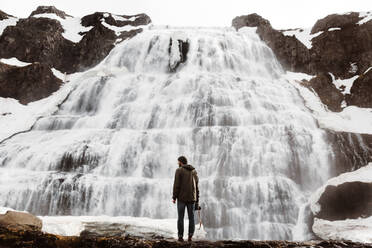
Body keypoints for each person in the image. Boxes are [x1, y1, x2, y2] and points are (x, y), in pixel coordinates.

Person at [172, 156, 200, 242]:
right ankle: (190, 236)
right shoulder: (194, 171)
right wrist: (197, 201)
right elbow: (197, 187)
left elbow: (176, 185)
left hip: (182, 198)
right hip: (192, 198)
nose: (177, 164)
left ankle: (180, 236)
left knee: (180, 217)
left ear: (181, 162)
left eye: (178, 162)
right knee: (191, 218)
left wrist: (174, 197)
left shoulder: (179, 170)